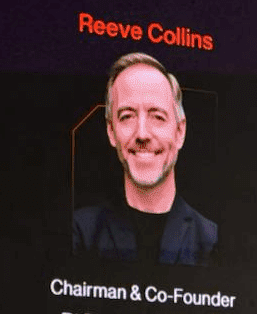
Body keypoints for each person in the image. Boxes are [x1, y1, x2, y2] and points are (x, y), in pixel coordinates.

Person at [73, 52, 217, 266]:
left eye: (157, 116)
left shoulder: (212, 240)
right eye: (127, 116)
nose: (142, 134)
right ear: (111, 131)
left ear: (180, 132)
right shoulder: (79, 232)